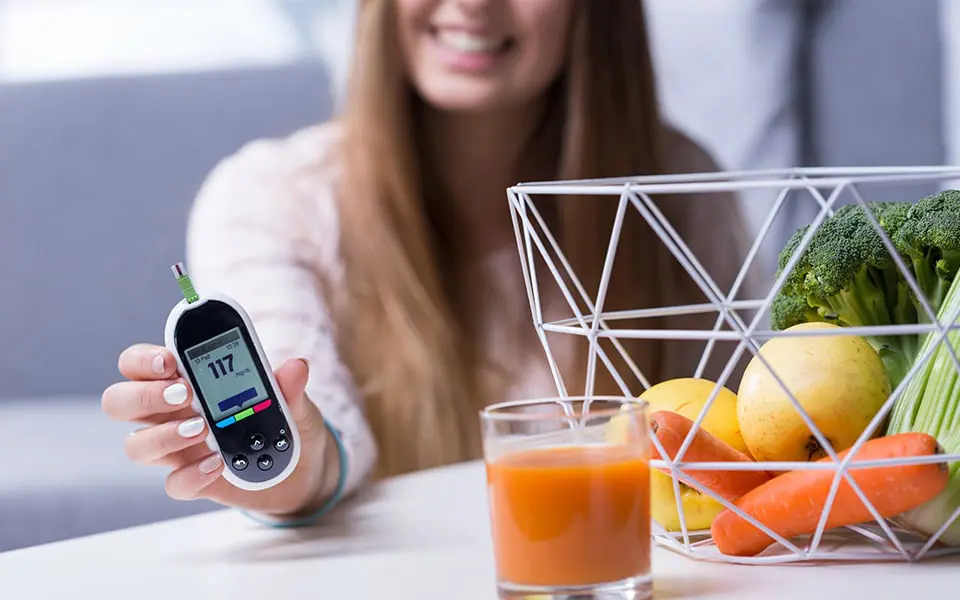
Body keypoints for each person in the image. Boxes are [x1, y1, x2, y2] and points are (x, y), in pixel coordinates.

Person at [101, 0, 756, 524]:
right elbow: (315, 422)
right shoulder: (269, 197)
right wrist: (296, 470)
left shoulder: (680, 192)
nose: (473, 4)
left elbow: (745, 448)